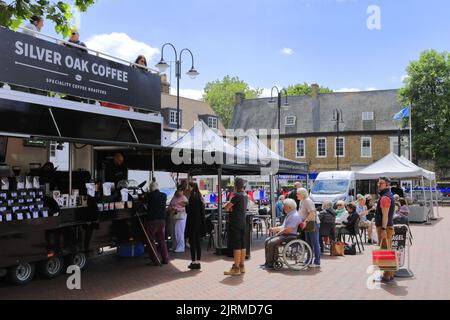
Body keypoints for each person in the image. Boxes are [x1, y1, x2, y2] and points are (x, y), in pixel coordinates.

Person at [260, 199, 303, 270]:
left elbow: (289, 230)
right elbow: (284, 226)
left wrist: (279, 233)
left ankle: (270, 264)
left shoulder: (294, 216)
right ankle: (270, 262)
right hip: (287, 235)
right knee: (268, 240)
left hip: (291, 236)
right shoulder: (290, 215)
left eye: (284, 206)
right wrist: (274, 229)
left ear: (290, 207)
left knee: (271, 242)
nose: (283, 207)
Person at [223, 178, 248, 276]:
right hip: (242, 222)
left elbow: (226, 207)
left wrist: (230, 208)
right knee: (242, 245)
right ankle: (242, 266)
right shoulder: (245, 195)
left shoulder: (236, 196)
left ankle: (236, 267)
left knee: (236, 245)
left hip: (235, 223)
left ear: (235, 186)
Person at [374, 177, 396, 283]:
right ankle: (390, 274)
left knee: (385, 251)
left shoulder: (385, 197)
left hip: (385, 227)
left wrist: (383, 229)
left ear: (387, 184)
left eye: (381, 183)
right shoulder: (388, 195)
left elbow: (385, 215)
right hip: (388, 227)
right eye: (378, 183)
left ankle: (386, 275)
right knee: (388, 250)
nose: (379, 185)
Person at [146, 181, 170, 265]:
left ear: (151, 188)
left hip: (152, 221)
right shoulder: (164, 195)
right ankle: (166, 259)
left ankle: (155, 260)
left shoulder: (150, 196)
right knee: (162, 240)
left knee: (151, 240)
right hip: (162, 220)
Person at [297, 188, 321, 268]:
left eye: (298, 194)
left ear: (303, 194)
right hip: (307, 224)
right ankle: (309, 260)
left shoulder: (307, 201)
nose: (297, 195)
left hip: (312, 224)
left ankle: (317, 262)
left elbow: (312, 213)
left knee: (315, 243)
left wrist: (305, 221)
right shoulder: (302, 201)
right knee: (309, 243)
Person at [185, 182, 206, 270]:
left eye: (188, 187)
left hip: (193, 223)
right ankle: (198, 262)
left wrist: (186, 205)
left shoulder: (192, 197)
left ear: (192, 187)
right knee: (198, 243)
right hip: (200, 223)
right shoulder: (199, 196)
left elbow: (190, 211)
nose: (187, 188)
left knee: (192, 243)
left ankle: (193, 262)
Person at [168, 186, 189, 253]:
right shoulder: (174, 197)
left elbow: (186, 208)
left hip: (181, 216)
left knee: (180, 232)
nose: (178, 191)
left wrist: (177, 209)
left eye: (180, 190)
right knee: (173, 232)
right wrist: (171, 208)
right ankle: (175, 245)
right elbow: (170, 204)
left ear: (182, 191)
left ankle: (181, 247)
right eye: (178, 190)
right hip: (173, 216)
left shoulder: (184, 198)